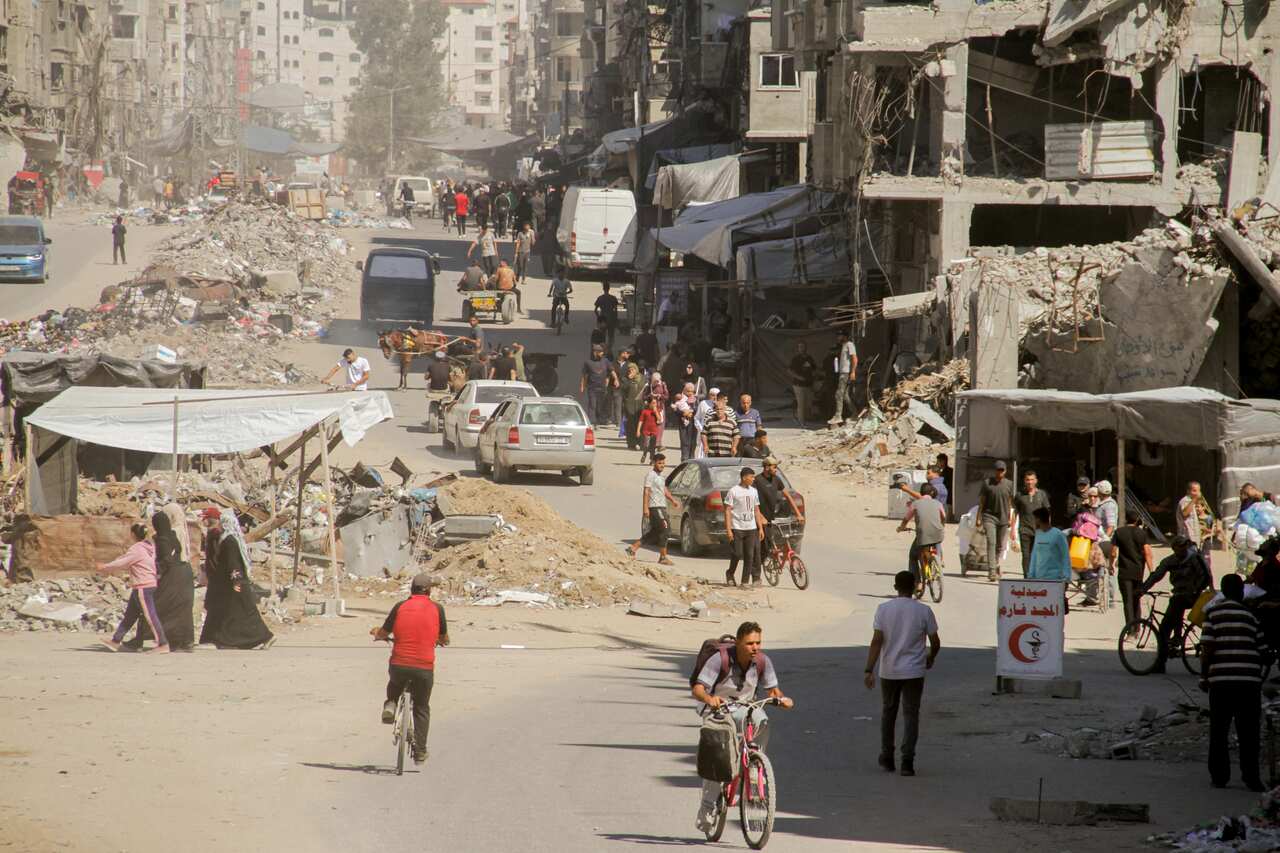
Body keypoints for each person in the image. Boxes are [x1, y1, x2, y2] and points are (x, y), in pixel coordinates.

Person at [692, 621, 793, 832]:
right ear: (738, 642)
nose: (755, 647)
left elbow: (773, 691)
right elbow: (698, 689)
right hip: (718, 709)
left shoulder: (763, 661)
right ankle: (707, 808)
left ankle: (755, 764)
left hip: (745, 707)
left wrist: (782, 700)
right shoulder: (719, 659)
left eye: (758, 643)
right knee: (718, 760)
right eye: (749, 643)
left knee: (762, 719)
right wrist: (710, 699)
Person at [864, 570, 941, 777]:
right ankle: (907, 761)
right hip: (914, 671)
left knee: (888, 713)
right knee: (911, 715)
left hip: (889, 671)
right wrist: (930, 657)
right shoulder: (924, 611)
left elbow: (877, 641)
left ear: (895, 587)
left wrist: (868, 669)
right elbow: (935, 642)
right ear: (916, 586)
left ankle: (887, 757)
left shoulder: (883, 609)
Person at [372, 572, 449, 766]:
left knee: (395, 681)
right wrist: (440, 641)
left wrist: (377, 634)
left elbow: (384, 632)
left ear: (411, 589)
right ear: (429, 590)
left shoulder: (400, 607)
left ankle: (390, 704)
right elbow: (444, 637)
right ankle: (421, 752)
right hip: (424, 667)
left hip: (399, 664)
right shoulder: (437, 609)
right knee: (422, 707)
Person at [1201, 573, 1268, 791]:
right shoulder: (1251, 616)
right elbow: (1263, 652)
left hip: (1221, 682)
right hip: (1248, 683)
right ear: (1240, 592)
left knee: (1219, 730)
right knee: (1249, 732)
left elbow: (1207, 649)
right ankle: (1251, 778)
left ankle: (1220, 776)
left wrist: (1204, 676)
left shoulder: (1212, 614)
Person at [201, 509, 274, 650]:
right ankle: (223, 640)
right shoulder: (222, 538)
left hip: (236, 583)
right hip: (227, 583)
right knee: (229, 612)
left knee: (246, 612)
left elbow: (234, 563)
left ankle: (266, 637)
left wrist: (237, 582)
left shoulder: (229, 541)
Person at [123, 510, 195, 652]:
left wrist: (156, 572)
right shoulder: (173, 536)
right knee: (178, 611)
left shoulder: (162, 539)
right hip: (182, 576)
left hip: (169, 577)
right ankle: (183, 642)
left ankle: (139, 640)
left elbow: (166, 559)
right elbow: (177, 553)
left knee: (150, 607)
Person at [1142, 535, 1213, 673]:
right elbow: (1156, 575)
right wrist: (1143, 589)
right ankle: (1160, 662)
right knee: (1164, 629)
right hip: (1179, 594)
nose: (1181, 550)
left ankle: (1178, 636)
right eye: (1178, 547)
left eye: (1183, 546)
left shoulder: (1195, 558)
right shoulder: (1170, 561)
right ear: (1174, 548)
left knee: (1177, 602)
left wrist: (1195, 589)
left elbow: (1205, 576)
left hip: (1194, 596)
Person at [97, 523, 169, 654]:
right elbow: (127, 560)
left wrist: (105, 567)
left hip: (143, 586)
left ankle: (163, 644)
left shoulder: (137, 549)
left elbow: (123, 562)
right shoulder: (149, 547)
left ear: (133, 535)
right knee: (130, 616)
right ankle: (116, 640)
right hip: (147, 584)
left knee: (150, 616)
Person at [628, 453, 676, 565]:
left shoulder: (661, 476)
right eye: (659, 463)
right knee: (665, 529)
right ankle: (663, 557)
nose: (662, 465)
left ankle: (632, 548)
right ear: (654, 463)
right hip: (655, 507)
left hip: (662, 506)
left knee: (655, 532)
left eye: (663, 463)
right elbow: (646, 491)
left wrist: (672, 500)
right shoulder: (651, 475)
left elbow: (664, 490)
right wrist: (645, 508)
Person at [897, 484, 945, 591]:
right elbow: (943, 517)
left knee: (913, 556)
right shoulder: (938, 503)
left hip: (923, 535)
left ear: (921, 492)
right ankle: (939, 560)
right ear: (932, 493)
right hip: (939, 534)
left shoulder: (915, 504)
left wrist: (901, 528)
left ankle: (918, 582)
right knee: (936, 540)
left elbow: (906, 519)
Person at [1111, 510, 1153, 629]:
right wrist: (1152, 571)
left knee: (1127, 602)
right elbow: (1147, 553)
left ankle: (1130, 629)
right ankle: (1138, 627)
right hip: (1138, 572)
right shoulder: (1142, 533)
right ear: (1136, 520)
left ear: (1125, 520)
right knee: (1136, 600)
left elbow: (1113, 552)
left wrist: (1111, 565)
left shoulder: (1119, 532)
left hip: (1124, 572)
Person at [724, 467, 765, 586]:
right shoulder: (733, 491)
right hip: (737, 527)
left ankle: (744, 582)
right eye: (751, 477)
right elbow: (727, 510)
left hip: (751, 528)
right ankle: (730, 573)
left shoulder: (753, 491)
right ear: (744, 478)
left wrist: (760, 528)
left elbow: (756, 510)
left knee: (749, 555)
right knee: (737, 553)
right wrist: (728, 530)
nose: (753, 479)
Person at [977, 461, 1017, 581]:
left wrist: (1011, 520)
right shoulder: (987, 483)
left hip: (1003, 518)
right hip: (989, 516)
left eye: (1002, 470)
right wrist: (978, 517)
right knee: (991, 542)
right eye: (998, 470)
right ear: (994, 471)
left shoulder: (1009, 484)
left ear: (1005, 471)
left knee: (999, 545)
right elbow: (982, 501)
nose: (1000, 472)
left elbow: (1011, 503)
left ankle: (995, 563)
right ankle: (992, 571)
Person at [1010, 470, 1051, 578]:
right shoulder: (1019, 495)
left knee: (1036, 554)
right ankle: (1027, 577)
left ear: (1036, 481)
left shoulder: (1041, 495)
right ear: (1024, 481)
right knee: (1026, 555)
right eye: (1027, 480)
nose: (1030, 482)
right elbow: (1014, 512)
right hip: (1024, 529)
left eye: (1032, 479)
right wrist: (1012, 529)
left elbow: (1047, 513)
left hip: (1039, 530)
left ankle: (1036, 576)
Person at [1027, 507, 1072, 584]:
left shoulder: (1058, 534)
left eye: (1034, 519)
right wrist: (1031, 574)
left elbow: (1065, 555)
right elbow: (1034, 555)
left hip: (1055, 579)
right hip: (1039, 578)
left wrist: (1066, 575)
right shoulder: (1038, 534)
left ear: (1038, 520)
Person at [580, 344, 618, 424]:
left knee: (599, 406)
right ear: (595, 352)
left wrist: (616, 379)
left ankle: (598, 421)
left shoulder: (605, 361)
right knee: (592, 405)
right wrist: (582, 386)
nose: (602, 353)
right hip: (592, 388)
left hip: (602, 388)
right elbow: (584, 376)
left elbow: (612, 371)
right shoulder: (588, 362)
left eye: (602, 352)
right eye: (600, 352)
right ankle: (590, 422)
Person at [830, 330, 858, 425]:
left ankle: (838, 416)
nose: (838, 338)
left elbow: (854, 358)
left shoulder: (849, 344)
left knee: (839, 394)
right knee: (845, 396)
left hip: (846, 373)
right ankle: (854, 413)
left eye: (840, 336)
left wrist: (853, 372)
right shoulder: (844, 345)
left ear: (844, 336)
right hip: (843, 373)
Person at [1178, 481, 1215, 550]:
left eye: (1198, 491)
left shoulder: (1192, 502)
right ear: (1188, 491)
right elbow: (1185, 513)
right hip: (1186, 537)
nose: (1197, 493)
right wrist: (1195, 499)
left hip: (1193, 538)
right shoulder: (1185, 501)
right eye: (1194, 491)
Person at [620, 362, 647, 451]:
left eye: (633, 369)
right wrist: (628, 380)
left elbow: (647, 390)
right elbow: (623, 390)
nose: (630, 371)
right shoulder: (625, 379)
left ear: (636, 369)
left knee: (641, 424)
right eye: (629, 370)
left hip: (641, 405)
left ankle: (641, 443)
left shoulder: (643, 378)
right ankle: (631, 443)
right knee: (631, 425)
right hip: (629, 405)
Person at [789, 341, 817, 424]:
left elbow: (814, 368)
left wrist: (814, 376)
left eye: (803, 347)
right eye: (800, 347)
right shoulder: (795, 359)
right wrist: (799, 377)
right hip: (798, 384)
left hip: (808, 384)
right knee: (801, 404)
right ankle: (801, 421)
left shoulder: (809, 358)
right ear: (798, 349)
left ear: (806, 348)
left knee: (808, 403)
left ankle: (806, 418)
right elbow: (789, 370)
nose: (802, 348)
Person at [644, 371, 669, 449]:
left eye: (658, 381)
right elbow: (644, 396)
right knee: (651, 425)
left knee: (660, 425)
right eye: (655, 381)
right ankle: (649, 444)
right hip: (651, 407)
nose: (657, 383)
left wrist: (659, 396)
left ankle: (658, 443)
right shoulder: (648, 385)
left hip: (660, 407)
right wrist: (650, 396)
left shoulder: (663, 385)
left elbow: (666, 396)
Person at [674, 384, 699, 461]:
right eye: (688, 391)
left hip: (693, 423)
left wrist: (691, 411)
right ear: (684, 391)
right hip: (683, 423)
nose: (690, 393)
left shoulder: (695, 399)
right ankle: (684, 458)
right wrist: (683, 413)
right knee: (684, 441)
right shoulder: (679, 398)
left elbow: (698, 409)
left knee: (693, 441)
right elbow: (675, 409)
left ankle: (691, 458)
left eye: (692, 391)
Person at [637, 397, 663, 465]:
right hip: (646, 431)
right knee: (646, 445)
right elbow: (640, 421)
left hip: (654, 431)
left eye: (656, 403)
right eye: (653, 403)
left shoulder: (657, 410)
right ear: (649, 404)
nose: (655, 405)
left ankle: (652, 459)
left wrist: (656, 412)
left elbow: (659, 419)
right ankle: (644, 454)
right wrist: (638, 430)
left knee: (653, 446)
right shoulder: (645, 411)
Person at [595, 283, 620, 350]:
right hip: (611, 318)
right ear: (609, 288)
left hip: (603, 319)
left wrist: (599, 317)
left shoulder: (600, 298)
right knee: (611, 336)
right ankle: (609, 349)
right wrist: (616, 319)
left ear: (603, 289)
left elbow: (595, 310)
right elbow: (615, 310)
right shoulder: (613, 298)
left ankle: (603, 348)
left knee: (602, 335)